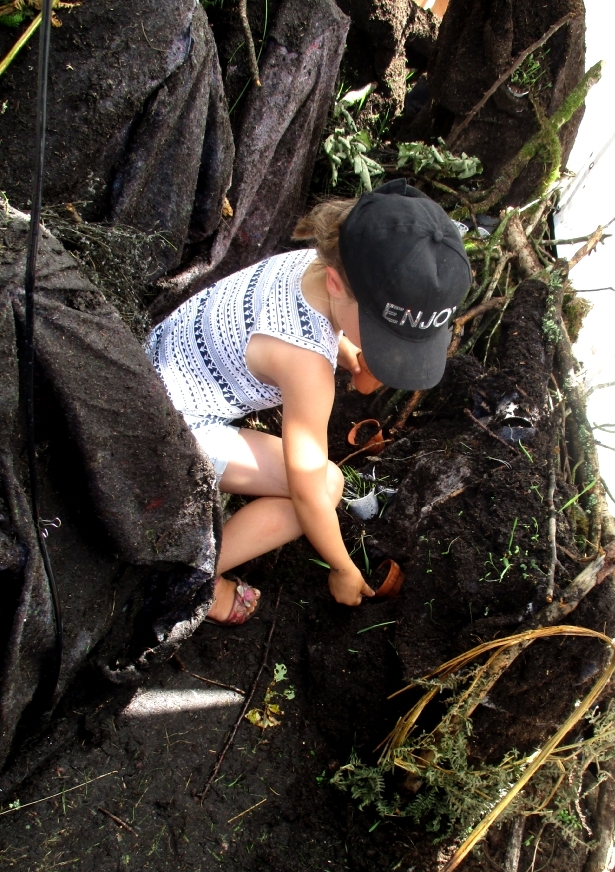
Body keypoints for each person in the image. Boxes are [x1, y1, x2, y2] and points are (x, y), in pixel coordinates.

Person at [146, 179, 471, 625]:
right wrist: (343, 566)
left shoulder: (316, 265)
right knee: (327, 486)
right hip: (166, 429)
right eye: (387, 336)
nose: (392, 353)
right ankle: (189, 578)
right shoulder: (308, 370)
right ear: (339, 284)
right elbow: (307, 489)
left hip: (154, 363)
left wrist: (356, 352)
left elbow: (312, 325)